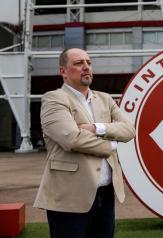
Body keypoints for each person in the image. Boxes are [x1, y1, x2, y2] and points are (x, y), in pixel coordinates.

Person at [34, 48, 135, 238]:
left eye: (88, 62)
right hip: (69, 196)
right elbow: (72, 139)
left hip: (105, 196)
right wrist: (112, 145)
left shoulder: (105, 99)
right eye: (79, 63)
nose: (86, 67)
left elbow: (129, 130)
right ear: (63, 71)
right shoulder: (54, 99)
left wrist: (97, 128)